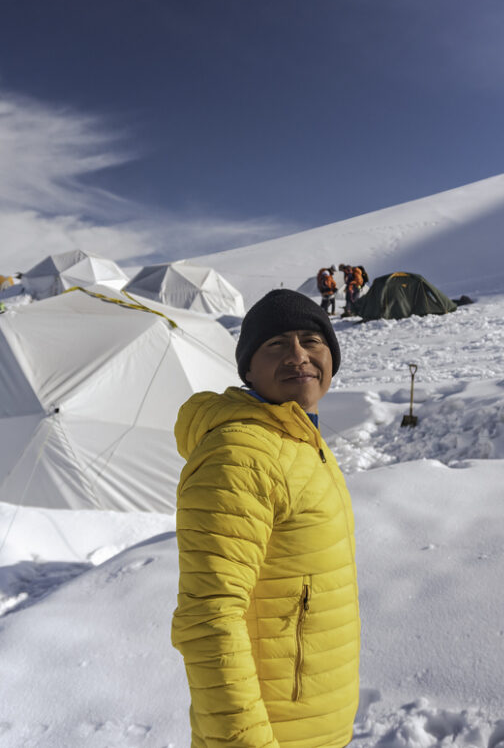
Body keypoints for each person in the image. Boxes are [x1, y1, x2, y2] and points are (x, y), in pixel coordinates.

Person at [172, 289, 360, 748]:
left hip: (312, 722)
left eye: (311, 340)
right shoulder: (242, 454)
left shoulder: (297, 438)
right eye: (276, 344)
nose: (298, 355)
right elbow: (209, 618)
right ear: (248, 370)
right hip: (270, 733)